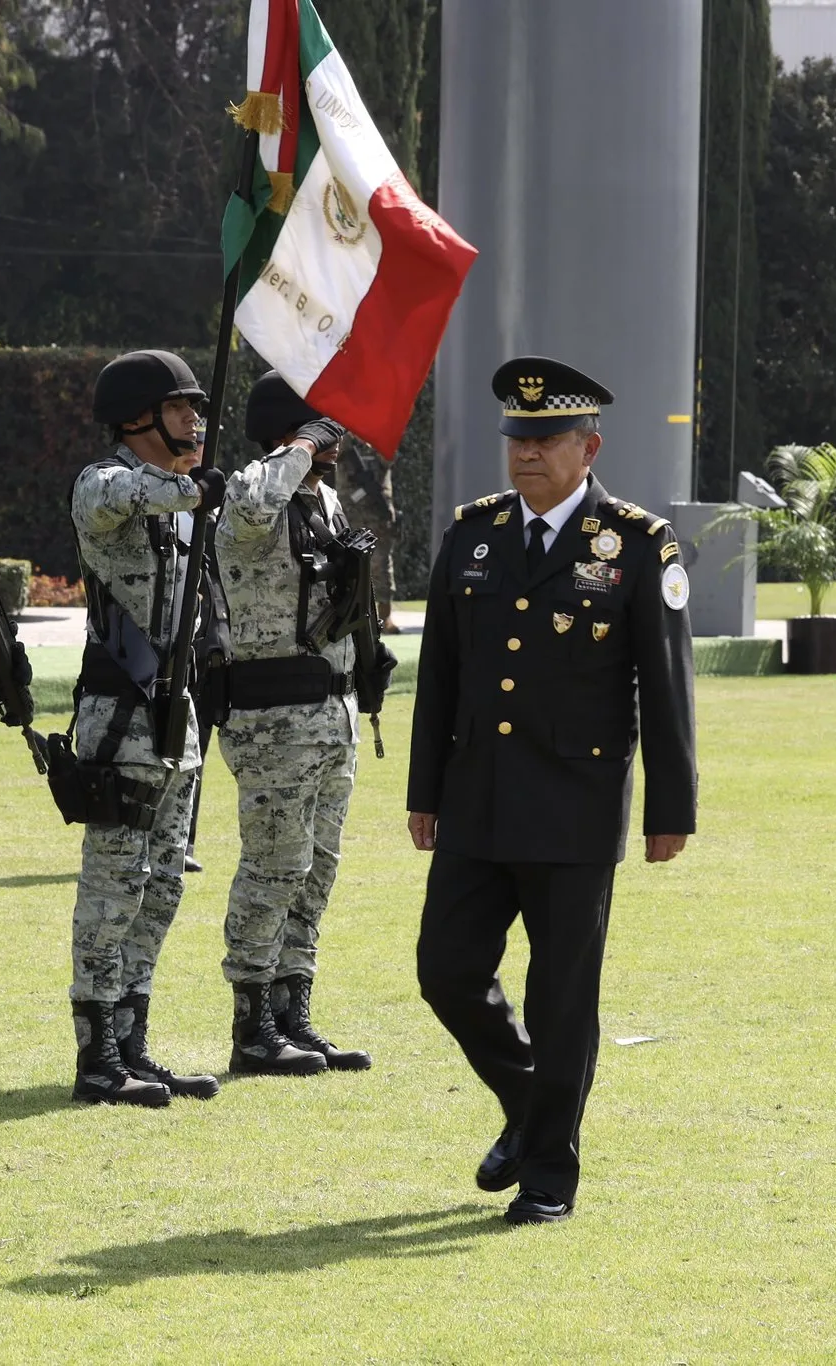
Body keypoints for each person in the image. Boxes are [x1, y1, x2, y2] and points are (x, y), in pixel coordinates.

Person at [408, 356, 696, 1226]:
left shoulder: (637, 544)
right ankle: (534, 1105)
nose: (527, 453)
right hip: (477, 800)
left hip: (575, 804)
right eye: (517, 439)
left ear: (588, 446)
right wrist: (425, 791)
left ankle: (547, 1178)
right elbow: (442, 677)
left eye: (546, 439)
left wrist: (669, 808)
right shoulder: (474, 533)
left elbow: (666, 681)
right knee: (446, 972)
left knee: (561, 998)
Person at [64, 350, 223, 1109]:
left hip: (175, 711)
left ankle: (133, 1043)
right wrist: (191, 485)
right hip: (123, 710)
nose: (196, 420)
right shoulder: (107, 482)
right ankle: (96, 1057)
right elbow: (123, 495)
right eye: (180, 408)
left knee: (161, 885)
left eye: (197, 407)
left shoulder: (186, 496)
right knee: (114, 884)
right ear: (137, 418)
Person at [212, 372, 378, 1077]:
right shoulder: (256, 489)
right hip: (271, 714)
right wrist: (302, 445)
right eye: (322, 424)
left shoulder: (324, 500)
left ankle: (292, 1011)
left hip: (328, 713)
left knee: (317, 869)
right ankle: (251, 1025)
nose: (335, 436)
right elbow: (248, 508)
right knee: (275, 865)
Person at [333, 436, 401, 631]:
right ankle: (349, 616)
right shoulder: (343, 445)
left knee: (382, 566)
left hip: (378, 518)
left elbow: (389, 457)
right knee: (347, 567)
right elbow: (336, 449)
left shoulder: (379, 445)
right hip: (349, 518)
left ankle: (385, 617)